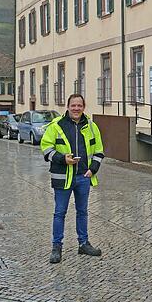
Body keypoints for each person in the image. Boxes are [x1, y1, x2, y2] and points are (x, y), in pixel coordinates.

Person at [40, 94, 105, 263]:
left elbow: (99, 150)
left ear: (84, 107)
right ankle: (56, 247)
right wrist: (63, 159)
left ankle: (83, 244)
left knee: (82, 212)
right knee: (60, 212)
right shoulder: (57, 125)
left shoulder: (91, 126)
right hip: (63, 177)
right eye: (73, 105)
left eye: (79, 105)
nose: (76, 108)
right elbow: (46, 147)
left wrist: (93, 169)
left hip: (84, 176)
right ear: (67, 107)